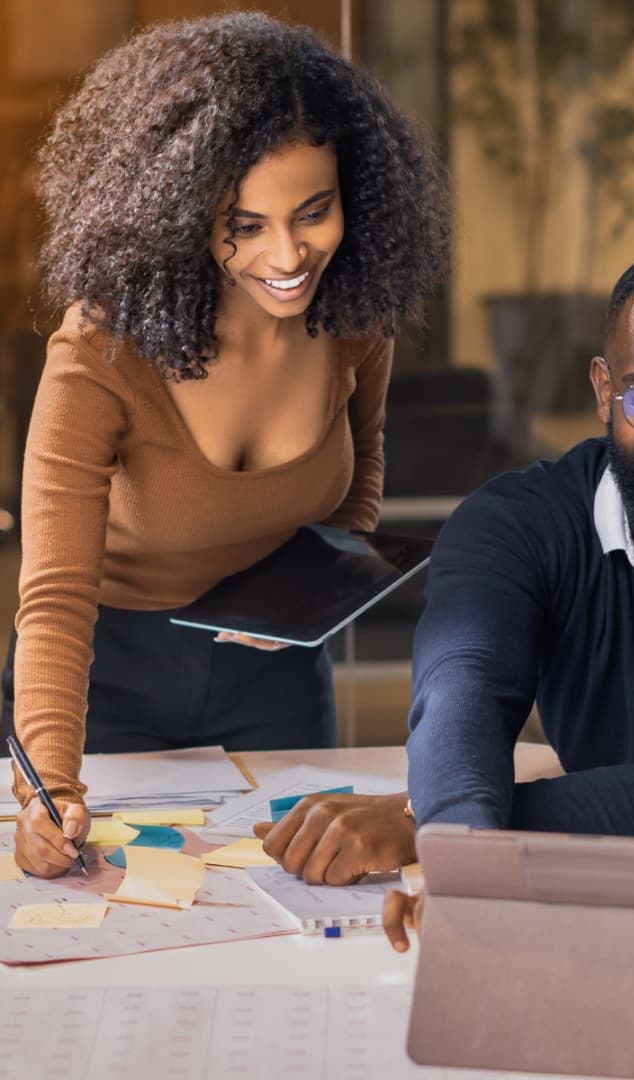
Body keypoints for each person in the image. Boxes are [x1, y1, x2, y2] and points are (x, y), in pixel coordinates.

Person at [257, 239, 634, 885]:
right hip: (578, 879)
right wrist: (456, 823)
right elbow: (463, 696)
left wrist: (433, 829)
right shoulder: (516, 524)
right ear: (604, 392)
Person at [6, 11, 449, 879]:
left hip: (275, 677)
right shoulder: (102, 351)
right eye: (241, 225)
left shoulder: (354, 319)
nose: (287, 255)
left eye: (312, 213)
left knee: (308, 906)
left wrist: (303, 599)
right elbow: (54, 595)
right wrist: (47, 790)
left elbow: (356, 484)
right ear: (174, 214)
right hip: (111, 676)